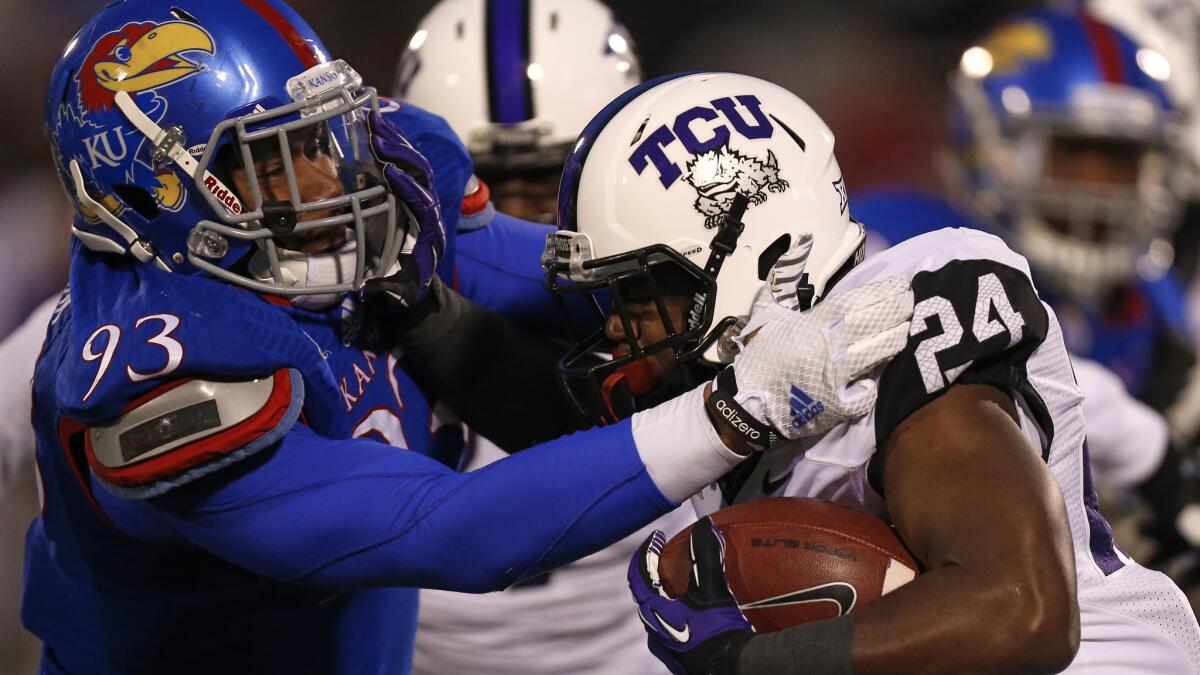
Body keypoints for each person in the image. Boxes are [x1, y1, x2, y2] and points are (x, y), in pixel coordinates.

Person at [25, 2, 911, 673]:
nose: (333, 170)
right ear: (154, 193)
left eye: (319, 134)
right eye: (273, 159)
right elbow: (446, 528)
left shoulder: (331, 215)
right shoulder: (159, 381)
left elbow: (546, 276)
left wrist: (756, 295)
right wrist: (732, 410)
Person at [539, 70, 1200, 672]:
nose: (620, 326)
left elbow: (1023, 611)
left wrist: (753, 664)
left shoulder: (896, 345)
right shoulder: (749, 391)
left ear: (755, 256)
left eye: (640, 290)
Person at [855, 6, 1200, 576]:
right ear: (996, 152)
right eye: (1075, 156)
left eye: (1121, 162)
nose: (1099, 191)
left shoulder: (1148, 302)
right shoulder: (907, 238)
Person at [396, 1, 685, 672]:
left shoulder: (698, 303)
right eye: (480, 186)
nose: (517, 219)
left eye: (554, 177)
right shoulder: (360, 309)